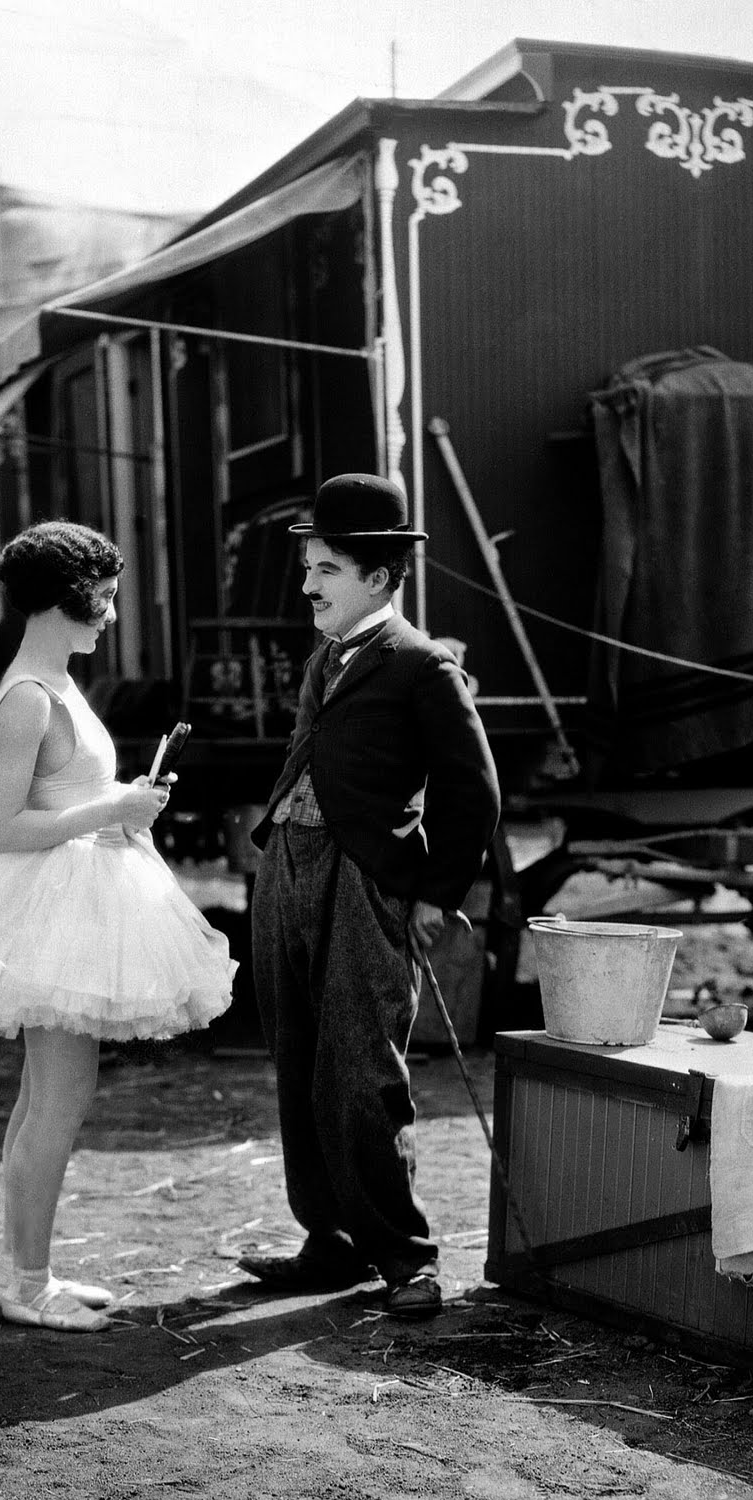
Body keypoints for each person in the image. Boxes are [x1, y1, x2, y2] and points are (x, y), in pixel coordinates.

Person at [0, 521, 235, 1331]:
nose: (111, 615)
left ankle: (23, 1269)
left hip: (74, 895)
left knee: (47, 1096)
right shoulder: (30, 697)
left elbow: (62, 798)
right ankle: (27, 1283)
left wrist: (122, 806)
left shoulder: (56, 682)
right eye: (103, 599)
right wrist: (112, 807)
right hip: (54, 907)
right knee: (59, 1098)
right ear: (65, 599)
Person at [239, 473, 501, 1319]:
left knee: (361, 1070)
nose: (308, 585)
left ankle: (406, 1258)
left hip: (364, 880)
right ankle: (331, 1241)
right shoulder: (326, 658)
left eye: (328, 570)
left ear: (380, 578)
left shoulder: (423, 666)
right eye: (308, 567)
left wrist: (434, 895)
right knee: (300, 1061)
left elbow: (474, 793)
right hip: (288, 870)